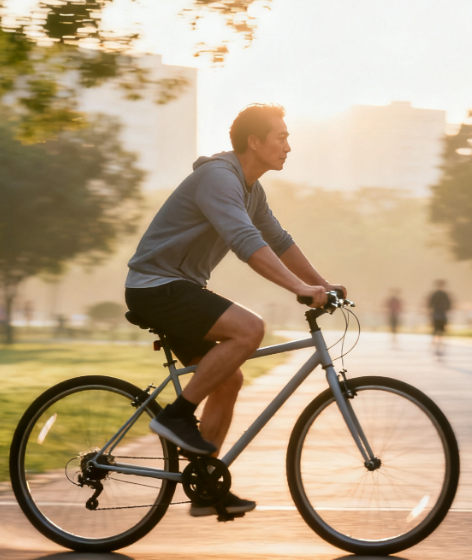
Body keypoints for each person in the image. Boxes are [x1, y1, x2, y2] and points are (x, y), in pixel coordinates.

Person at [124, 104, 345, 518]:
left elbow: (277, 240)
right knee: (250, 329)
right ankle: (176, 416)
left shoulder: (250, 189)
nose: (288, 146)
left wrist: (321, 284)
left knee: (229, 379)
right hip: (156, 287)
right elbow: (245, 241)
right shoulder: (218, 178)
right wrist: (298, 288)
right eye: (281, 137)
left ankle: (205, 487)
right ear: (255, 142)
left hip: (178, 288)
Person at [427, 280, 452, 358]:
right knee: (439, 329)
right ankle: (437, 342)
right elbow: (449, 305)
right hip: (439, 314)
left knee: (438, 329)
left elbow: (429, 304)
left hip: (438, 314)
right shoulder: (443, 294)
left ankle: (437, 342)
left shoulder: (437, 294)